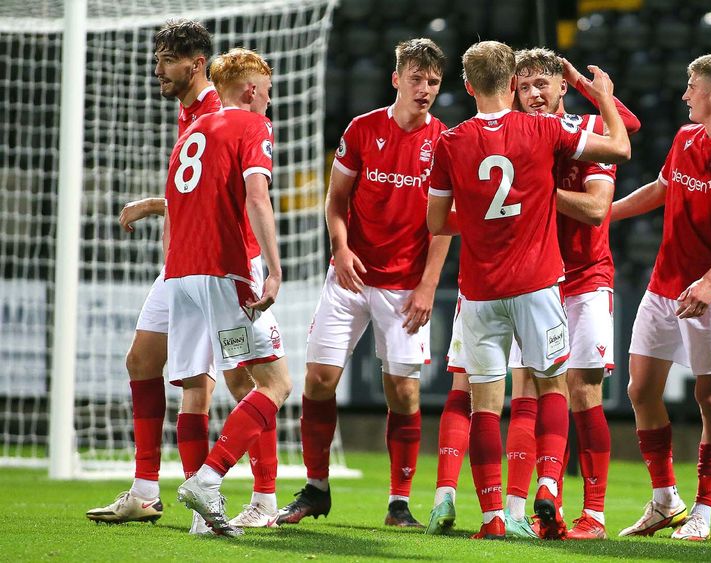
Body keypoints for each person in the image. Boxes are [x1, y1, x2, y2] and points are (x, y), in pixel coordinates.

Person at [426, 40, 630, 540]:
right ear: (512, 85)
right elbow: (622, 146)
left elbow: (435, 221)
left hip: (479, 289)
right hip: (540, 284)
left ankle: (494, 516)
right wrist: (602, 95)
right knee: (552, 387)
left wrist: (477, 220)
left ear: (468, 85)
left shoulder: (450, 142)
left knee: (484, 402)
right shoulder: (544, 129)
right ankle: (546, 486)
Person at [86, 19, 280, 533]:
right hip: (188, 267)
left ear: (196, 63)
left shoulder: (223, 113)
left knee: (235, 382)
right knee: (145, 361)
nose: (157, 71)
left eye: (166, 61)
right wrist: (161, 210)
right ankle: (152, 491)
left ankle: (260, 497)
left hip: (222, 261)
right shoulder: (191, 113)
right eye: (157, 60)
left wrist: (157, 207)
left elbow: (235, 195)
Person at [276, 38, 451, 529]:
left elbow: (445, 224)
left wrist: (426, 287)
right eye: (416, 78)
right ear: (396, 79)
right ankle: (316, 488)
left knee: (404, 394)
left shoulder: (444, 142)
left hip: (404, 286)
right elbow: (335, 202)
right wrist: (340, 247)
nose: (424, 89)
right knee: (319, 379)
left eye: (433, 82)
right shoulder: (361, 129)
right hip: (349, 277)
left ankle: (398, 504)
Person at [610, 53, 711, 542]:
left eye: (691, 86)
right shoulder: (684, 137)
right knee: (640, 390)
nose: (685, 94)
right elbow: (662, 187)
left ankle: (703, 512)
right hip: (663, 286)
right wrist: (604, 215)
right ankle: (664, 501)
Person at [171, 47, 288, 538]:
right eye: (266, 91)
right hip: (225, 272)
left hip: (182, 277)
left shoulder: (195, 129)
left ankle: (222, 515)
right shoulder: (250, 126)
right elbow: (256, 197)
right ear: (250, 90)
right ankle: (209, 477)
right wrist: (275, 270)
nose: (268, 100)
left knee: (239, 382)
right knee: (276, 384)